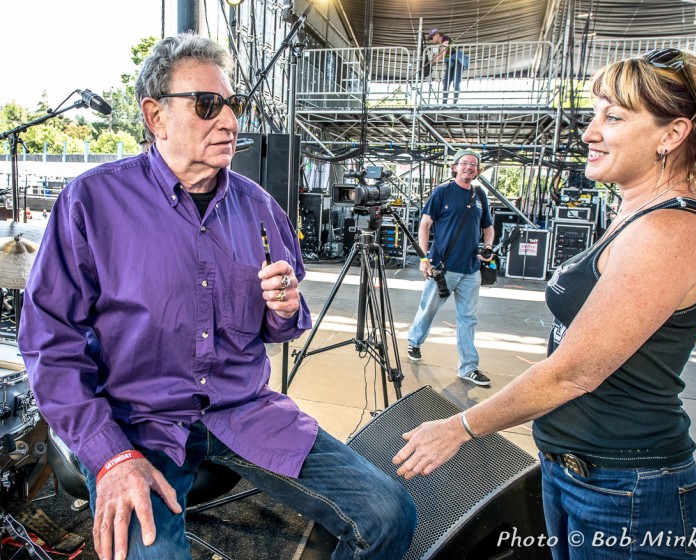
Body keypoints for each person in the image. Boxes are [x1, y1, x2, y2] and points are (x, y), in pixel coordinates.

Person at [19, 32, 416, 560]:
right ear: (156, 116)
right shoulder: (91, 202)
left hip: (241, 408)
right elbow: (49, 342)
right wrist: (110, 456)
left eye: (233, 105)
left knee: (390, 513)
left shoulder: (259, 209)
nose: (229, 121)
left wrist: (286, 309)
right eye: (207, 105)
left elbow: (283, 323)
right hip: (138, 424)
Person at [393, 47, 696, 559]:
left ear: (672, 134)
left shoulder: (669, 229)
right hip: (578, 471)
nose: (589, 132)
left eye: (613, 117)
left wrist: (459, 427)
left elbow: (572, 373)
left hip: (626, 492)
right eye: (595, 113)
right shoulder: (641, 216)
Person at [407, 149, 494, 387]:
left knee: (468, 318)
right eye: (464, 163)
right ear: (454, 167)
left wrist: (488, 246)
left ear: (478, 170)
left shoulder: (480, 195)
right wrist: (424, 258)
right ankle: (414, 341)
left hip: (471, 270)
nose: (469, 167)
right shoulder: (442, 193)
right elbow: (425, 225)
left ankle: (469, 367)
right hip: (443, 268)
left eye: (473, 165)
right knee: (428, 309)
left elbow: (488, 227)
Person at [428, 28, 468, 104]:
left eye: (432, 37)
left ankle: (455, 102)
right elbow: (441, 55)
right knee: (446, 82)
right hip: (450, 62)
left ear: (437, 35)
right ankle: (444, 102)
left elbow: (443, 53)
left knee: (456, 82)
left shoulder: (445, 38)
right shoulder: (439, 45)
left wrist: (434, 60)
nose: (431, 39)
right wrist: (434, 59)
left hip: (458, 61)